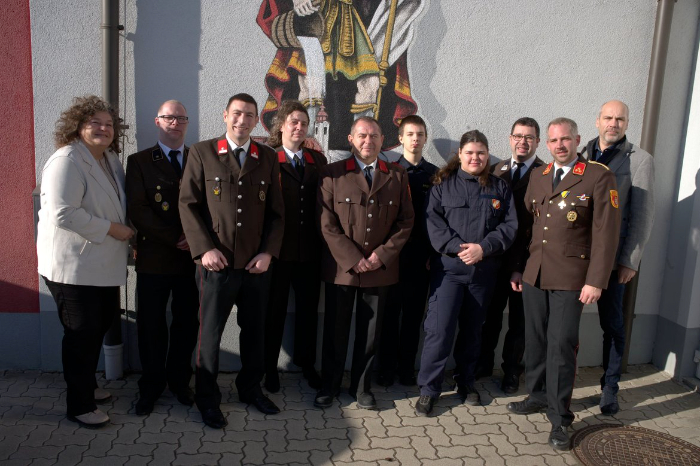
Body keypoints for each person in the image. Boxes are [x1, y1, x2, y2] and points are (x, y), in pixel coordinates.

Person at [507, 118, 621, 451]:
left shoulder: (598, 176)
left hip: (572, 279)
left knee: (561, 346)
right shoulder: (539, 176)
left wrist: (596, 281)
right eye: (554, 140)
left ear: (577, 140)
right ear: (547, 144)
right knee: (536, 339)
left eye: (565, 139)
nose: (559, 145)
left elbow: (606, 234)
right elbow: (526, 228)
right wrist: (518, 269)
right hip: (535, 274)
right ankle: (537, 395)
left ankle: (560, 419)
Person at [178, 93, 285, 429]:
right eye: (237, 113)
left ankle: (250, 389)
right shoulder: (203, 152)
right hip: (216, 265)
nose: (242, 120)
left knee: (254, 332)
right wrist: (204, 250)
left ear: (256, 120)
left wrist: (267, 253)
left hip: (255, 266)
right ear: (225, 115)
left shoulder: (267, 156)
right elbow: (188, 204)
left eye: (249, 115)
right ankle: (207, 399)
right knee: (209, 335)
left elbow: (277, 214)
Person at [37, 95, 134, 428]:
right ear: (78, 126)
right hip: (72, 267)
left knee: (100, 323)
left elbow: (117, 202)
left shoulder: (109, 159)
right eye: (96, 123)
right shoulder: (66, 160)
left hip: (100, 263)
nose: (104, 129)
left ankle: (88, 386)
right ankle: (79, 405)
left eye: (109, 124)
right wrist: (113, 229)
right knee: (81, 334)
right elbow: (62, 213)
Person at [415, 130, 517, 417]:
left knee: (473, 332)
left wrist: (483, 248)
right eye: (469, 152)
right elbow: (432, 223)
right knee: (439, 331)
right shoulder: (442, 185)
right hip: (449, 272)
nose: (475, 157)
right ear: (459, 154)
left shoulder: (500, 187)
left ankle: (466, 381)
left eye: (481, 153)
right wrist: (460, 249)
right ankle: (429, 389)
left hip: (483, 273)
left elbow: (509, 226)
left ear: (487, 156)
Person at [315, 116, 414, 409]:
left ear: (383, 140)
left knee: (370, 334)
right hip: (343, 268)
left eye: (373, 136)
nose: (367, 141)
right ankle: (329, 385)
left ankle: (362, 388)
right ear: (351, 139)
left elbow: (406, 222)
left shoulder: (397, 175)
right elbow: (326, 223)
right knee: (335, 331)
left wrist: (380, 256)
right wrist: (353, 258)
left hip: (378, 269)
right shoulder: (332, 174)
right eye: (362, 135)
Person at [580, 100, 655, 415]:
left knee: (612, 325)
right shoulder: (581, 155)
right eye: (608, 118)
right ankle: (558, 385)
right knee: (565, 323)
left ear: (627, 123)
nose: (613, 123)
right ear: (597, 121)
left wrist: (630, 261)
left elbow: (642, 216)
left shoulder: (640, 160)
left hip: (613, 262)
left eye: (620, 119)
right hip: (578, 257)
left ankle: (610, 387)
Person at [125, 100, 199, 415]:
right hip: (154, 258)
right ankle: (151, 386)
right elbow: (138, 210)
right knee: (151, 325)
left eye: (181, 118)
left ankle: (180, 382)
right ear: (157, 121)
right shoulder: (140, 161)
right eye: (169, 117)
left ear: (187, 123)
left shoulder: (198, 158)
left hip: (190, 259)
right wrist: (174, 238)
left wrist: (194, 239)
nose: (175, 123)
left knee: (186, 324)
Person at [263, 100, 327, 393]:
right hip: (278, 251)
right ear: (281, 126)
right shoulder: (269, 158)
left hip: (310, 251)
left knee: (308, 311)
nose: (299, 127)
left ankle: (307, 364)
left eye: (304, 123)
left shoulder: (317, 160)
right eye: (293, 122)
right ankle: (269, 368)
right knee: (273, 311)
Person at [476, 118, 544, 394]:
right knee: (489, 316)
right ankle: (483, 363)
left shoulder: (545, 173)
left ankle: (512, 371)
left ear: (537, 142)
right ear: (510, 138)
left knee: (519, 321)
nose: (522, 142)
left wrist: (521, 263)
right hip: (495, 258)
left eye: (529, 137)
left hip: (527, 259)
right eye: (518, 136)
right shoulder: (496, 170)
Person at [377, 115, 437, 387]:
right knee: (389, 314)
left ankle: (406, 369)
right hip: (392, 256)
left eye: (420, 134)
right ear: (400, 138)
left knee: (413, 316)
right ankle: (385, 369)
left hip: (421, 257)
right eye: (410, 134)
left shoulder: (435, 175)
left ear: (425, 139)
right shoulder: (389, 171)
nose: (415, 139)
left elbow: (438, 219)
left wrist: (433, 254)